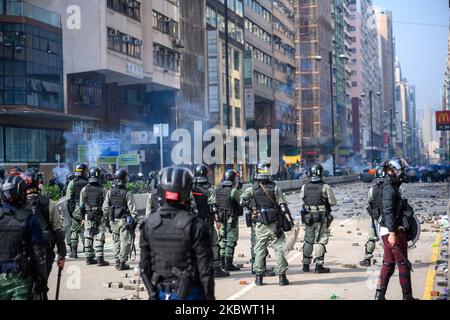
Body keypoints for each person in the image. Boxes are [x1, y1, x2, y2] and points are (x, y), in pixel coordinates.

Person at [140, 166, 215, 300]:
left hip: (160, 293)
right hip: (191, 294)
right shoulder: (196, 226)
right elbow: (206, 271)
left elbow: (144, 269)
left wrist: (152, 294)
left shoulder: (148, 224)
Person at [240, 161, 293, 286]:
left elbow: (242, 201)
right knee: (279, 249)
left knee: (259, 249)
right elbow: (283, 206)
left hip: (260, 225)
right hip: (275, 224)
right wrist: (289, 220)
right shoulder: (275, 188)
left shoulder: (251, 189)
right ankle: (282, 278)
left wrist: (252, 210)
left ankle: (259, 278)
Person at [375, 158, 418, 300]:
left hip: (388, 230)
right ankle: (407, 297)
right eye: (399, 171)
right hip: (392, 231)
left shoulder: (392, 186)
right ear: (389, 171)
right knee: (403, 264)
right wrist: (392, 233)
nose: (401, 173)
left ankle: (379, 296)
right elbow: (387, 212)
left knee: (388, 264)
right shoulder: (389, 188)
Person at [0, 175, 48, 300]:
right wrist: (42, 278)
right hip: (21, 277)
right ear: (20, 192)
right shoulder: (29, 218)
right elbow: (39, 253)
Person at [22, 169, 66, 293]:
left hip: (23, 255)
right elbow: (59, 232)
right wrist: (61, 255)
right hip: (46, 252)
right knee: (42, 284)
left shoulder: (18, 205)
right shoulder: (50, 203)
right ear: (39, 183)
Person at [191, 164, 229, 278]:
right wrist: (217, 220)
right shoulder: (210, 188)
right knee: (214, 243)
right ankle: (216, 268)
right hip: (206, 220)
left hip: (192, 221)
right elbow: (213, 206)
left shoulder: (190, 187)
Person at [299, 163, 337, 273]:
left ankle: (305, 265)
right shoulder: (325, 187)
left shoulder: (304, 186)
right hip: (321, 218)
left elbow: (302, 201)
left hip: (308, 217)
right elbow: (333, 202)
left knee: (308, 240)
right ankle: (319, 266)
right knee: (320, 241)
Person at [103, 169, 138, 271]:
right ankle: (122, 263)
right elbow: (133, 210)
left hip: (113, 220)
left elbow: (105, 208)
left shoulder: (110, 192)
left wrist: (107, 220)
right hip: (124, 220)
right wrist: (134, 223)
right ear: (124, 179)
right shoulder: (127, 193)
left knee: (116, 241)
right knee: (125, 241)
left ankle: (117, 261)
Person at [80, 167, 109, 266]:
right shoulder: (103, 189)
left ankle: (88, 259)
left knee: (88, 236)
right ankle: (100, 259)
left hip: (88, 216)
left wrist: (82, 218)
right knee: (99, 236)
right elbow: (106, 205)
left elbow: (81, 206)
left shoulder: (84, 189)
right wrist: (106, 217)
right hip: (99, 216)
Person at [214, 169, 242, 272]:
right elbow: (241, 200)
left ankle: (221, 263)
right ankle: (228, 264)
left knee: (222, 239)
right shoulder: (233, 191)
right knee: (231, 240)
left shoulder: (217, 189)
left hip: (221, 218)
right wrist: (238, 189)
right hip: (231, 218)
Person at [359, 165, 386, 267]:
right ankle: (389, 260)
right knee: (389, 238)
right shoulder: (393, 188)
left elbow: (369, 201)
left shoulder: (372, 189)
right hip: (390, 217)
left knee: (372, 237)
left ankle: (367, 259)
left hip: (377, 216)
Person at [67, 163, 89, 258]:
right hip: (89, 208)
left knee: (74, 230)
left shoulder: (72, 182)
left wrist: (71, 211)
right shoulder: (89, 182)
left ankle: (74, 252)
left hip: (76, 209)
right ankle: (88, 250)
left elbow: (68, 198)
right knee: (86, 230)